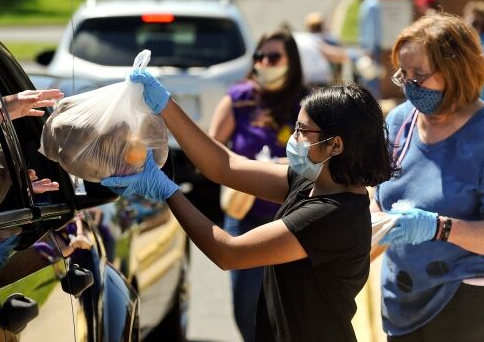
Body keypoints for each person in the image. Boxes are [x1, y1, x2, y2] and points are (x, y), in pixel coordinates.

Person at [102, 77, 397, 341]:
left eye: (302, 130)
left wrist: (168, 191)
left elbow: (229, 252)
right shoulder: (311, 182)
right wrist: (166, 106)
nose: (293, 138)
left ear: (335, 145)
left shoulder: (333, 213)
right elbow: (225, 166)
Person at [370, 13, 484, 341]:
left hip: (469, 301)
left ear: (455, 72)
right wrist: (376, 221)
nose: (410, 84)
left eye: (420, 74)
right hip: (403, 300)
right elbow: (377, 192)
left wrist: (438, 227)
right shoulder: (401, 122)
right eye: (404, 73)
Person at [207, 28, 306, 342]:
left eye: (273, 56)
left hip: (292, 220)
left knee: (291, 305)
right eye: (259, 57)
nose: (265, 62)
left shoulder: (308, 102)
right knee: (246, 304)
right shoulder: (239, 99)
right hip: (245, 216)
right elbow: (211, 149)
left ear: (291, 62)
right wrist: (241, 169)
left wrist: (282, 166)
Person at [358, 0, 382, 99]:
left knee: (370, 77)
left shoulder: (370, 4)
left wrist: (369, 49)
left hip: (371, 47)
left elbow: (370, 28)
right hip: (373, 46)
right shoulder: (374, 2)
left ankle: (371, 102)